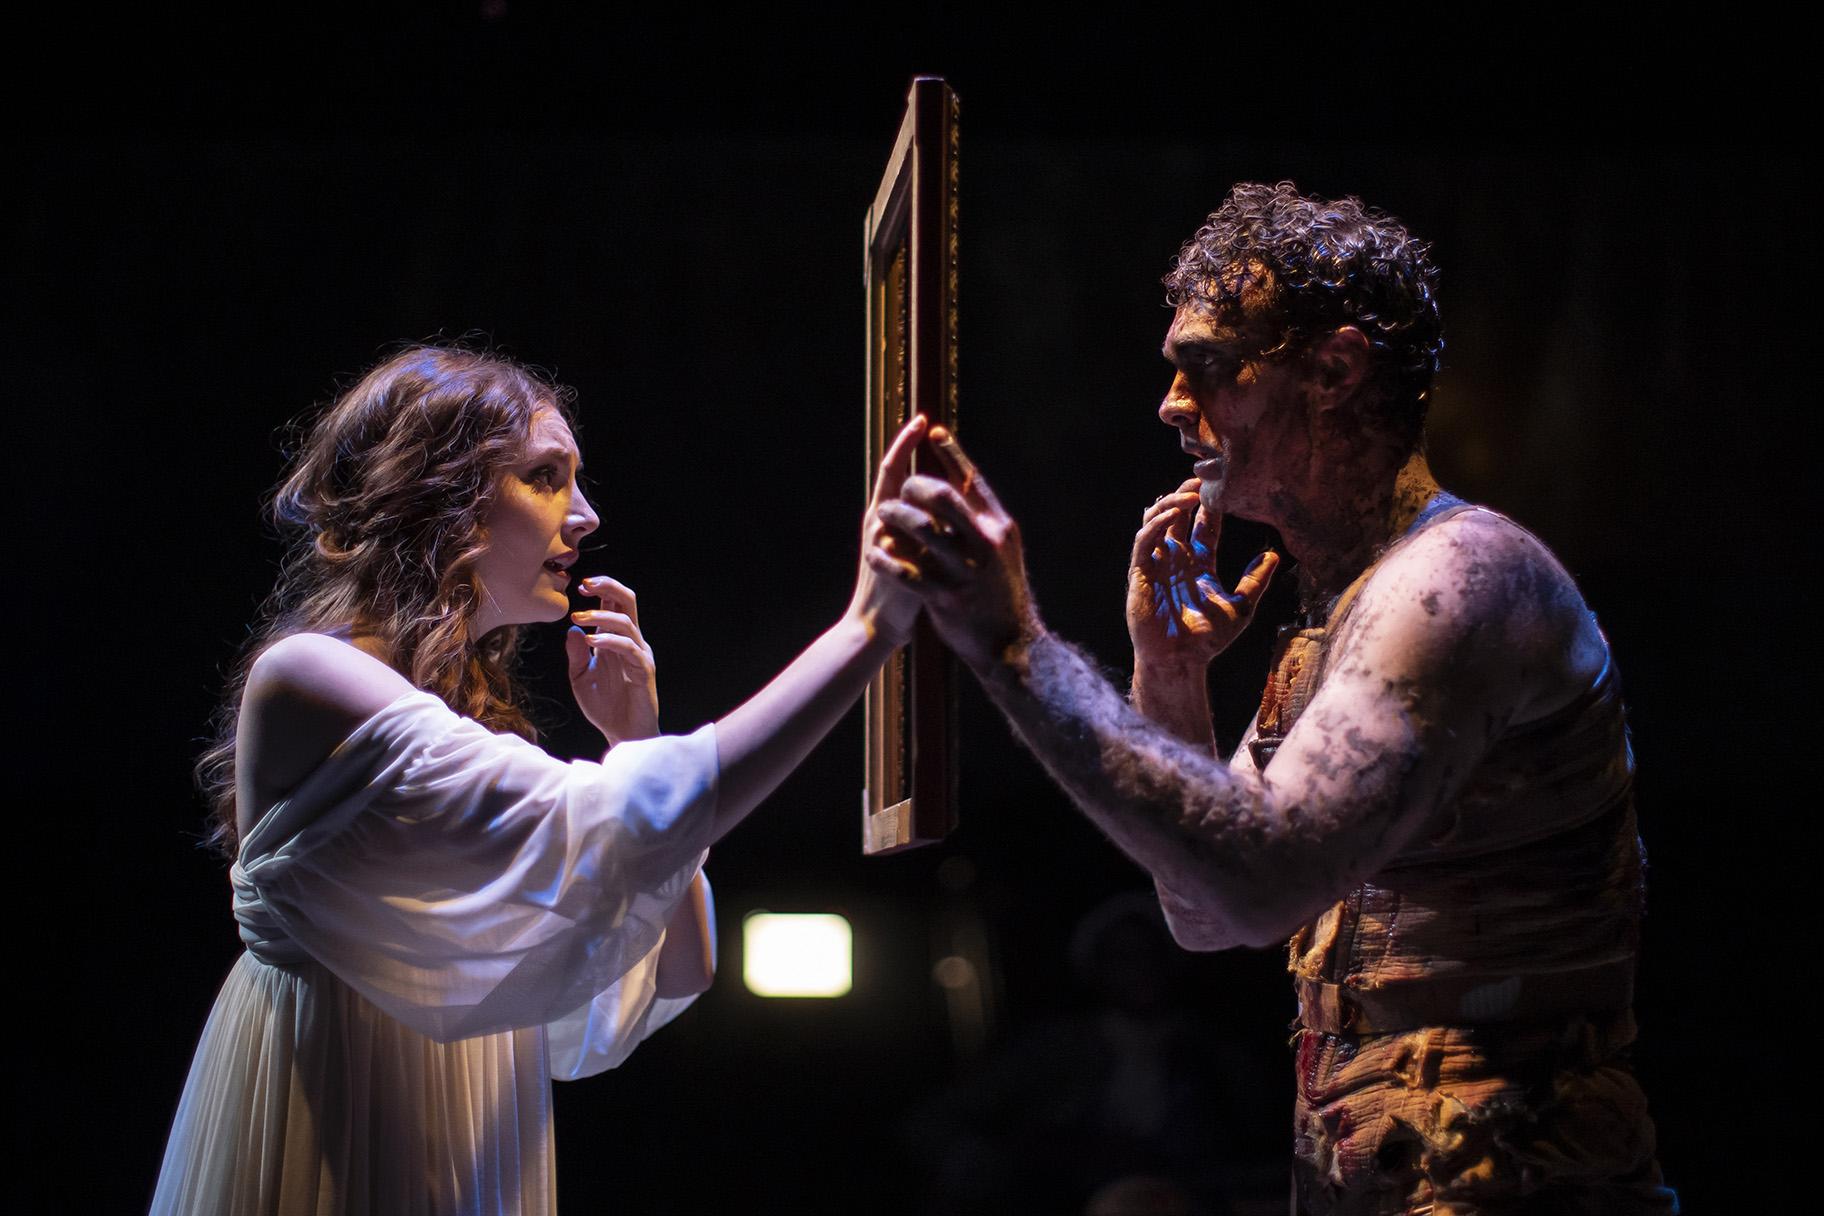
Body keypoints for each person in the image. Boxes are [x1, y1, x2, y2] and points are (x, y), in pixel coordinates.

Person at [870, 183, 1677, 1214]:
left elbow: (1255, 883)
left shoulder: (1458, 584)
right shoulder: (1333, 623)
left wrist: (1014, 645)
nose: (1170, 402)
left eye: (1206, 364)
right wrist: (1168, 674)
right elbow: (1204, 915)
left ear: (1335, 370)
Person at [151, 346, 928, 1215]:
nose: (587, 515)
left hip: (455, 1140)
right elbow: (623, 822)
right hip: (336, 1126)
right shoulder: (311, 676)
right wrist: (866, 629)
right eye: (546, 476)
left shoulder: (455, 719)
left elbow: (681, 969)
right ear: (444, 495)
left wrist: (635, 733)